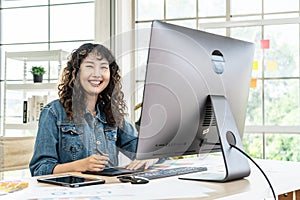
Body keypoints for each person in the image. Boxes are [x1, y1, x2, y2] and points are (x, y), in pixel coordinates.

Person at [29, 43, 158, 176]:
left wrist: (150, 156)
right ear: (76, 72)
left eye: (103, 68)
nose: (97, 74)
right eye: (89, 66)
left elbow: (140, 148)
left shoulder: (112, 113)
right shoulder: (53, 113)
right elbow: (39, 169)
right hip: (73, 193)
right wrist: (80, 165)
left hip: (110, 189)